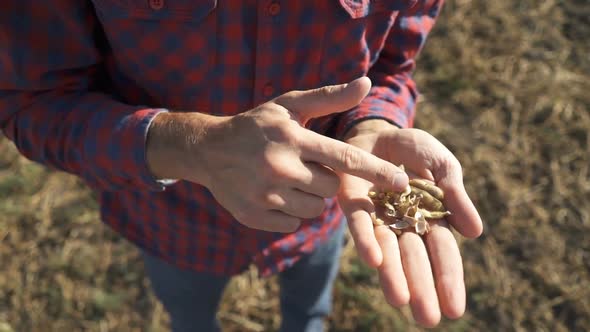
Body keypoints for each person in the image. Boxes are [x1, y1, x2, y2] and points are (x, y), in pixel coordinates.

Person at [0, 1, 482, 331]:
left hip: (323, 216)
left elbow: (392, 64)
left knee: (309, 310)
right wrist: (192, 147)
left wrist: (372, 121)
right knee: (190, 318)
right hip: (173, 224)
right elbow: (35, 102)